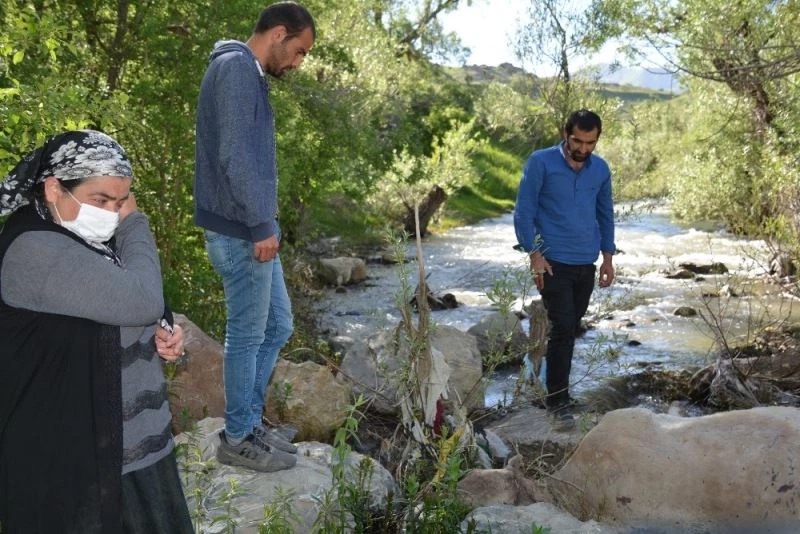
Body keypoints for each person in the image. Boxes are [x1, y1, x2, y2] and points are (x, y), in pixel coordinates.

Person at [0, 130, 192, 533]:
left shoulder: (78, 234)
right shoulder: (35, 250)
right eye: (101, 200)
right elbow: (140, 298)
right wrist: (134, 221)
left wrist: (161, 327)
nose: (113, 212)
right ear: (54, 188)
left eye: (121, 201)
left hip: (131, 450)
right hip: (76, 465)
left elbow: (116, 299)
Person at [194, 1, 315, 472]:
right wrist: (261, 224)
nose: (298, 63)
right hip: (243, 230)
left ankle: (249, 419)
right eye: (299, 51)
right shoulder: (236, 69)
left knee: (278, 326)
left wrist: (266, 221)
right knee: (246, 335)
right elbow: (234, 157)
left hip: (253, 225)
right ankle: (238, 436)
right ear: (280, 33)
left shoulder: (245, 72)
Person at [513, 109, 616, 430]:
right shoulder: (540, 162)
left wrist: (608, 257)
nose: (583, 149)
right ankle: (558, 400)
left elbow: (605, 213)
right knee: (563, 326)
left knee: (570, 328)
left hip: (586, 261)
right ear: (565, 133)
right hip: (552, 261)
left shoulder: (600, 169)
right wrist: (534, 254)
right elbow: (524, 211)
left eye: (591, 143)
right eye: (577, 141)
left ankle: (543, 382)